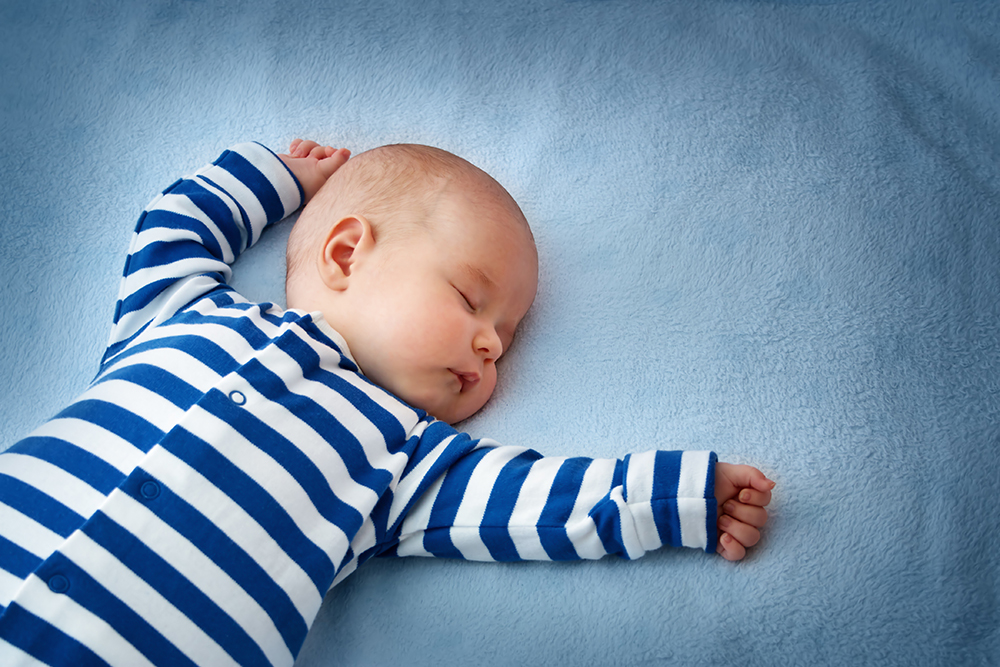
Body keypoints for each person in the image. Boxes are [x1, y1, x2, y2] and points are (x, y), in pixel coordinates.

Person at [0, 139, 773, 666]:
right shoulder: (185, 313)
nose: (491, 345)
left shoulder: (405, 458)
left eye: (505, 338)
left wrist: (677, 495)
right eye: (470, 299)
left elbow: (536, 501)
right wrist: (275, 176)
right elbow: (175, 224)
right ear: (345, 253)